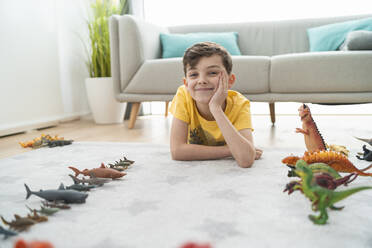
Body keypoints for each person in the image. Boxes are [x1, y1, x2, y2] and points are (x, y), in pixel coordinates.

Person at [169, 42, 263, 168]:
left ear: (230, 81)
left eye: (212, 73)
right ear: (186, 83)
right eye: (193, 74)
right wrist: (230, 150)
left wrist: (216, 108)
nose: (202, 80)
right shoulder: (183, 96)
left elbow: (246, 160)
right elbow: (177, 151)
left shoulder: (240, 104)